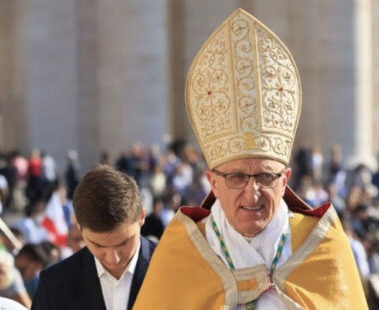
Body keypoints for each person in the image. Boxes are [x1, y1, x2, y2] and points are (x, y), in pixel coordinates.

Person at [134, 8, 367, 309]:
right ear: (213, 182)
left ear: (285, 180)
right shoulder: (181, 254)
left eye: (266, 176)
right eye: (237, 177)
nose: (252, 191)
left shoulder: (324, 249)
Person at [33, 165, 156, 310]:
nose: (113, 259)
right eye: (98, 245)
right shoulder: (54, 285)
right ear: (78, 225)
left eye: (123, 243)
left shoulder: (177, 270)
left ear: (141, 217)